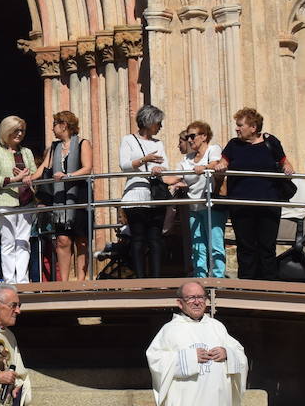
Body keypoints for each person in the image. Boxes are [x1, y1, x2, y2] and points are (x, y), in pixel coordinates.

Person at [212, 108, 296, 281]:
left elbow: (285, 162)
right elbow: (223, 162)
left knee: (267, 247)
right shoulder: (233, 145)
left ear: (253, 127)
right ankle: (246, 287)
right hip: (241, 205)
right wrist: (220, 167)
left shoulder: (270, 141)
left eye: (240, 125)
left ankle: (270, 287)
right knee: (245, 247)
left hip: (269, 203)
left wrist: (287, 167)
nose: (237, 129)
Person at [36, 110, 92, 282]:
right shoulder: (54, 147)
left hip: (80, 195)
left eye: (54, 124)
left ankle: (81, 280)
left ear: (64, 125)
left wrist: (68, 176)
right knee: (62, 239)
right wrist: (28, 178)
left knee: (81, 240)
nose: (52, 128)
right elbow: (44, 168)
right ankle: (65, 282)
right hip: (60, 198)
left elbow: (88, 168)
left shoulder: (83, 143)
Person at [0, 116, 38, 285]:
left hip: (26, 202)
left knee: (23, 242)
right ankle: (9, 281)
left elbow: (35, 174)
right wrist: (14, 180)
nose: (20, 133)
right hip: (5, 202)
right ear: (6, 131)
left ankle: (22, 281)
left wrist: (29, 178)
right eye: (16, 130)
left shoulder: (27, 152)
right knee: (8, 243)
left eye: (22, 130)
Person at [119, 105, 170, 278]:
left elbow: (166, 165)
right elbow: (124, 165)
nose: (160, 127)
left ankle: (156, 278)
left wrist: (158, 168)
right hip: (135, 195)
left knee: (155, 239)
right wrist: (144, 160)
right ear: (148, 122)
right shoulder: (128, 140)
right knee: (138, 238)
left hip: (155, 195)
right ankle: (139, 279)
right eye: (158, 123)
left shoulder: (158, 143)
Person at [171, 122, 226, 278]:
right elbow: (173, 177)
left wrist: (205, 167)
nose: (189, 140)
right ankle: (200, 278)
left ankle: (218, 279)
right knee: (197, 246)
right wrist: (155, 172)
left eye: (192, 136)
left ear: (204, 136)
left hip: (211, 205)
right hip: (194, 207)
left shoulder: (212, 149)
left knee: (215, 244)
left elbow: (215, 164)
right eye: (187, 136)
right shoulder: (187, 159)